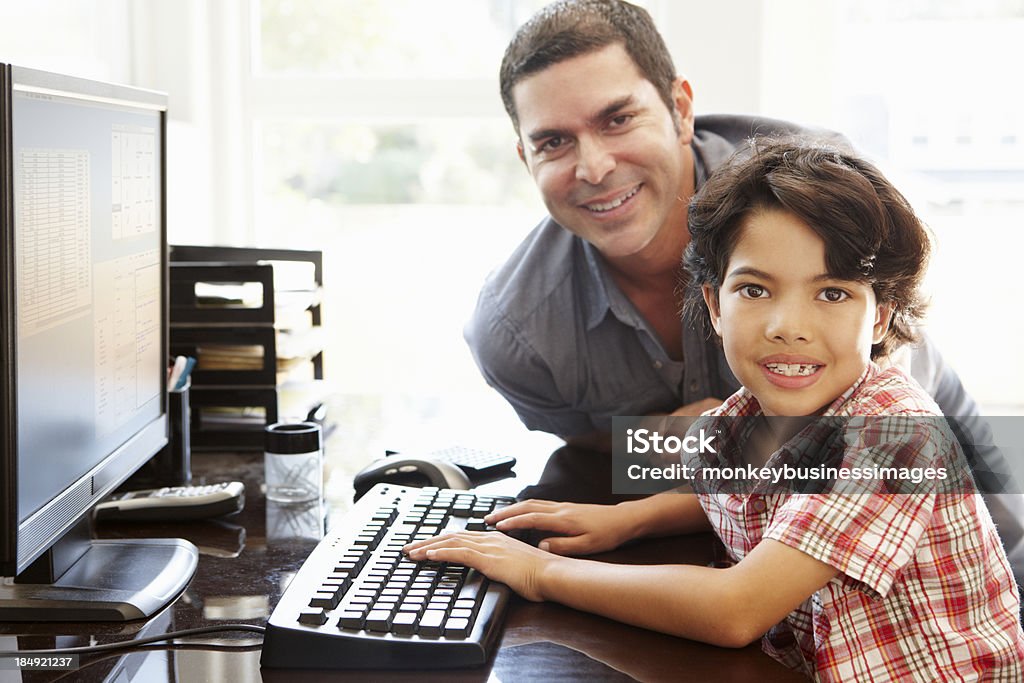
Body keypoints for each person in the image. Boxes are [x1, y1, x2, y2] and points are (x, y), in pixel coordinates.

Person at [408, 139, 1024, 680]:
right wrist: (629, 521)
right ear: (715, 305)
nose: (788, 327)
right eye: (755, 290)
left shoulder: (894, 432)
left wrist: (539, 574)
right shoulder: (752, 412)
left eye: (832, 293)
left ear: (881, 316)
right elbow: (741, 487)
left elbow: (734, 610)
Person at [464, 0, 1024, 574]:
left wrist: (719, 442)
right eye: (553, 142)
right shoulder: (516, 331)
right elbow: (600, 450)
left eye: (617, 119)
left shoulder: (821, 186)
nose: (595, 167)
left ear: (680, 109)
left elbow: (858, 441)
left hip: (961, 542)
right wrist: (682, 443)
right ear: (524, 157)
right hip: (738, 553)